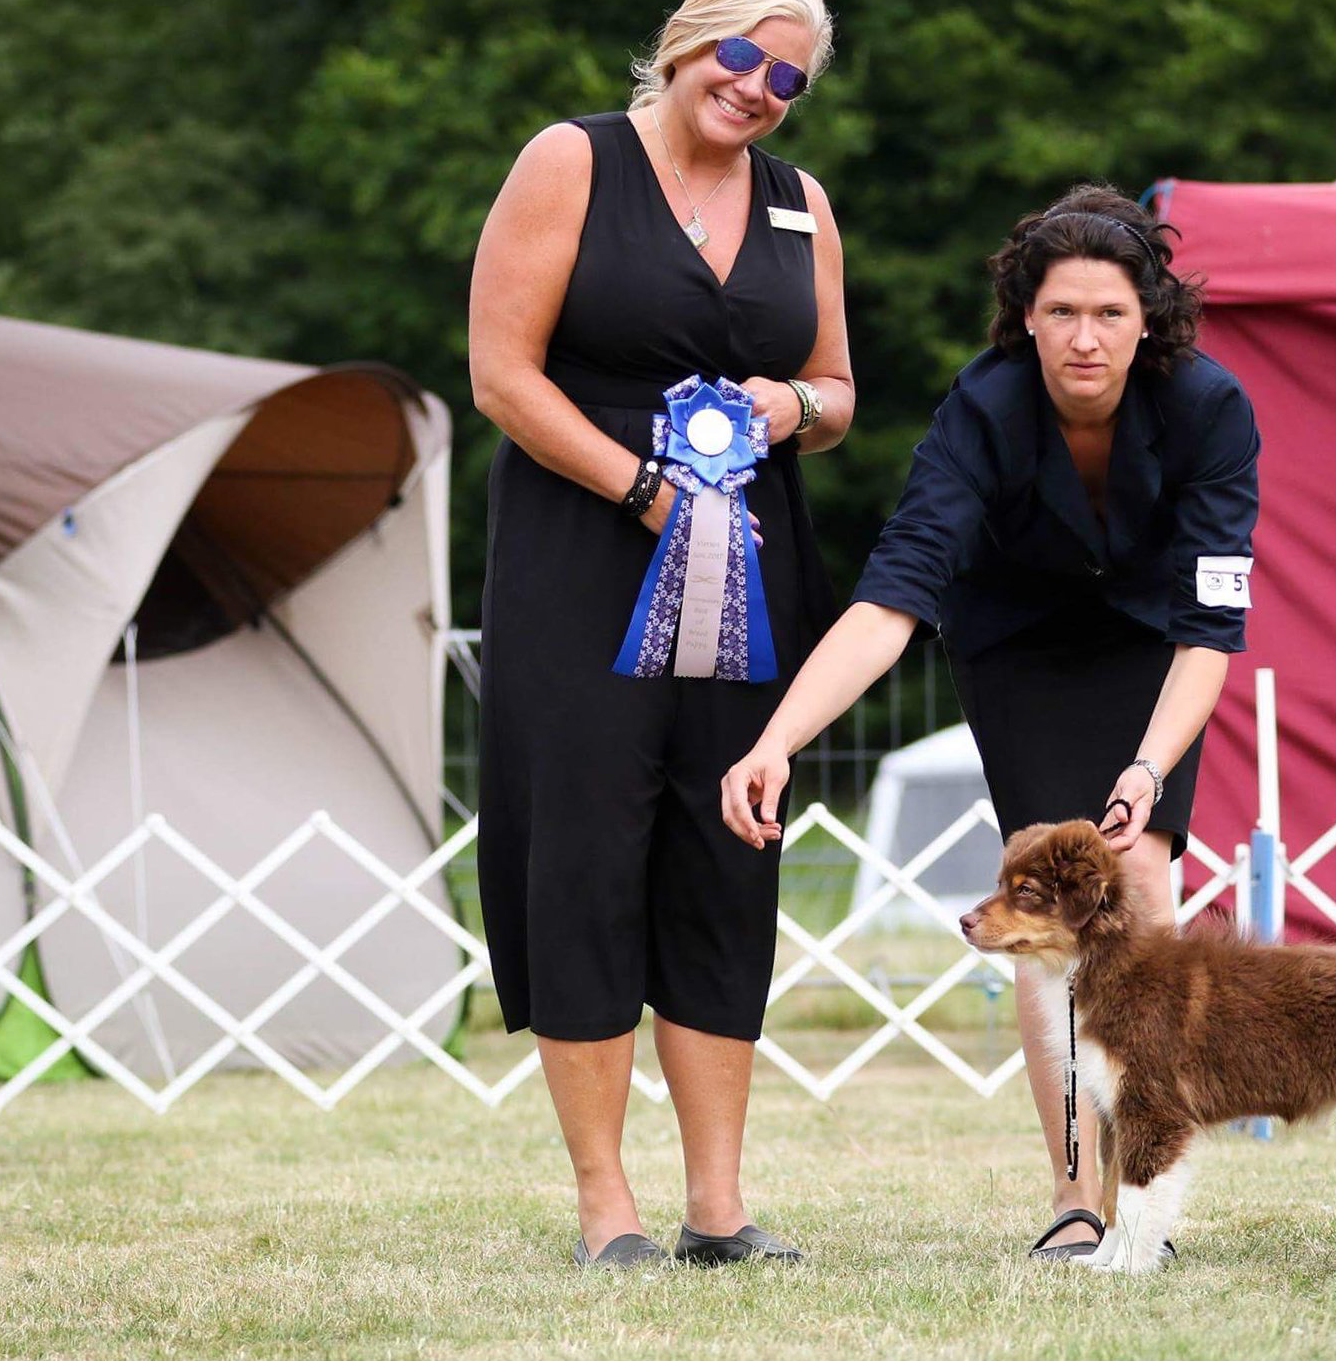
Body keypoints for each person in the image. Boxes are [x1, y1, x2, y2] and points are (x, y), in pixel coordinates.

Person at [721, 183, 1258, 1262]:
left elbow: (1211, 629)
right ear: (1025, 316)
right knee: (1046, 911)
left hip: (1151, 649)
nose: (1083, 336)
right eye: (1060, 311)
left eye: (1108, 312)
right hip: (1016, 650)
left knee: (1140, 878)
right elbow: (890, 600)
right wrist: (776, 738)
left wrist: (1149, 767)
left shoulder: (1210, 408)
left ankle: (1141, 1192)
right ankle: (1073, 1195)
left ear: (1146, 317)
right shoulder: (981, 408)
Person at [468, 0, 852, 1270]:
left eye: (784, 77)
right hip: (582, 557)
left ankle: (718, 1207)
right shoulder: (569, 160)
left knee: (723, 852)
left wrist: (787, 403)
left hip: (748, 568)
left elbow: (840, 391)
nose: (755, 89)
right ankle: (604, 1207)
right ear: (687, 47)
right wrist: (643, 489)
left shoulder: (800, 202)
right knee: (581, 854)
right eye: (740, 58)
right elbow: (502, 374)